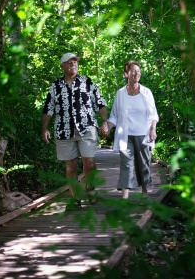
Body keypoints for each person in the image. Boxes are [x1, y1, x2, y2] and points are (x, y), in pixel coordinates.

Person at [42, 52, 110, 210]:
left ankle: (91, 190)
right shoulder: (55, 86)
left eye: (75, 62)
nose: (73, 64)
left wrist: (105, 122)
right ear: (62, 66)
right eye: (69, 62)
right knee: (70, 166)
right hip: (64, 130)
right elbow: (48, 108)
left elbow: (99, 102)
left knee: (90, 162)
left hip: (87, 128)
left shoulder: (87, 82)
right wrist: (45, 128)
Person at [106, 60, 159, 201]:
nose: (137, 74)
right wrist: (107, 126)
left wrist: (153, 130)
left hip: (144, 134)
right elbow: (114, 116)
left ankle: (145, 193)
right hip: (125, 136)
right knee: (126, 165)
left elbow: (154, 115)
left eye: (138, 71)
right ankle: (125, 198)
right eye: (133, 71)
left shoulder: (146, 92)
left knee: (144, 165)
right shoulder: (120, 94)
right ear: (126, 74)